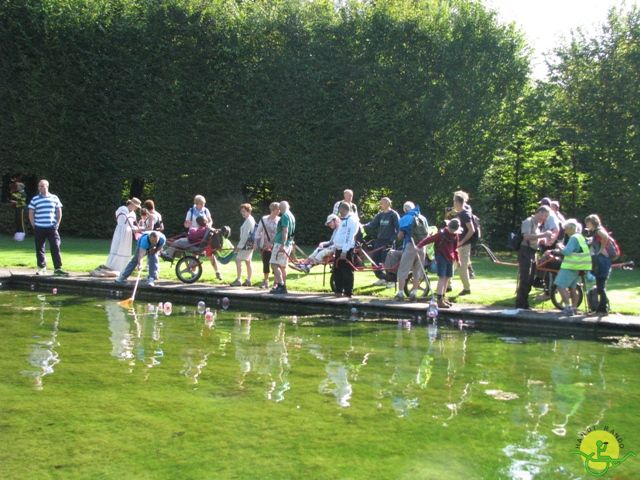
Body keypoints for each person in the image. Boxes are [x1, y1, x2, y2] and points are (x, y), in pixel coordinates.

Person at [544, 218, 592, 316]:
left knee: (560, 286)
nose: (564, 231)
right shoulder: (580, 237)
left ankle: (567, 307)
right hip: (579, 267)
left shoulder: (573, 238)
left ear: (571, 228)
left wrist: (560, 246)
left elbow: (566, 252)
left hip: (570, 266)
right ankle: (574, 308)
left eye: (565, 229)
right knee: (573, 288)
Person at [27, 179, 68, 276]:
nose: (40, 188)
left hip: (52, 227)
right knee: (40, 248)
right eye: (39, 186)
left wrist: (57, 223)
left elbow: (59, 212)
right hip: (39, 227)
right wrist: (34, 224)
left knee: (55, 247)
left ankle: (57, 268)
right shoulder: (35, 199)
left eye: (42, 186)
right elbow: (31, 213)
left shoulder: (54, 198)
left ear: (47, 186)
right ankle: (42, 268)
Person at [417, 219, 461, 308]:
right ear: (448, 226)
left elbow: (455, 248)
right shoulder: (441, 234)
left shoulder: (455, 235)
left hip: (450, 258)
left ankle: (443, 297)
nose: (452, 232)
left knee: (447, 277)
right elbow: (429, 239)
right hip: (441, 257)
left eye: (454, 230)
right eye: (451, 230)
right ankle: (439, 300)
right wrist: (419, 245)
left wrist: (457, 259)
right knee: (442, 277)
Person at [94, 198, 142, 276]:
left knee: (125, 248)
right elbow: (127, 221)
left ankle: (123, 267)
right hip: (120, 230)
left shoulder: (133, 213)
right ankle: (113, 266)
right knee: (117, 246)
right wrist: (135, 228)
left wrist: (137, 229)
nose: (136, 208)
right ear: (132, 204)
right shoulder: (122, 209)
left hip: (128, 233)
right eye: (136, 206)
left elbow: (133, 224)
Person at [515, 206, 551, 309]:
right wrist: (543, 235)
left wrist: (542, 241)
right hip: (525, 251)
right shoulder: (528, 221)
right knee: (525, 278)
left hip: (533, 252)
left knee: (530, 279)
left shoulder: (537, 224)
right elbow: (526, 236)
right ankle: (520, 304)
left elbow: (534, 238)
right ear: (539, 212)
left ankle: (524, 304)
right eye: (545, 216)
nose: (545, 218)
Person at [394, 201, 429, 301]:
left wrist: (397, 236)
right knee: (417, 270)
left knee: (403, 269)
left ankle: (400, 293)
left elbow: (400, 236)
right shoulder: (423, 218)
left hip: (410, 245)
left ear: (405, 209)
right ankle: (414, 292)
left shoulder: (405, 218)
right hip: (422, 246)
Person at [363, 197, 400, 287]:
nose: (380, 205)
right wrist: (362, 226)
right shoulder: (380, 215)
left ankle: (392, 280)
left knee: (387, 262)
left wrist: (392, 240)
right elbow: (372, 224)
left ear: (388, 203)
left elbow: (398, 229)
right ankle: (382, 278)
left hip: (388, 242)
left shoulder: (394, 215)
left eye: (382, 203)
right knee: (375, 261)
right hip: (379, 241)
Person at [585, 214, 613, 314]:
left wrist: (601, 250)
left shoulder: (598, 230)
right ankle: (602, 308)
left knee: (600, 286)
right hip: (601, 260)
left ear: (592, 222)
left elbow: (606, 237)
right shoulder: (596, 231)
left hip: (603, 261)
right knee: (600, 285)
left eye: (587, 223)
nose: (587, 225)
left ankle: (603, 309)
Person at [332, 202, 360, 297]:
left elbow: (349, 236)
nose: (339, 212)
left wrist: (344, 250)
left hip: (346, 250)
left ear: (343, 210)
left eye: (339, 210)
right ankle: (338, 290)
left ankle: (348, 292)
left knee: (346, 271)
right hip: (339, 248)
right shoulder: (344, 219)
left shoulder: (351, 220)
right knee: (337, 270)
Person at [269, 201, 296, 294]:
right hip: (289, 243)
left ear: (280, 208)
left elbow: (285, 230)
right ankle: (284, 286)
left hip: (281, 243)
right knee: (283, 266)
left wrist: (282, 244)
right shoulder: (291, 216)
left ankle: (281, 285)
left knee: (274, 263)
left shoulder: (284, 216)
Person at [452, 190, 475, 296]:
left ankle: (467, 289)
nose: (453, 203)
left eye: (454, 201)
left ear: (458, 202)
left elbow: (472, 230)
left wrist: (462, 242)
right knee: (452, 265)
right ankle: (448, 286)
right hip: (457, 245)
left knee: (462, 267)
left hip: (464, 245)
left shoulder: (465, 214)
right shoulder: (459, 213)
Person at [255, 202, 280, 289]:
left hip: (276, 245)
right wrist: (256, 243)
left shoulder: (280, 220)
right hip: (265, 246)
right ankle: (266, 281)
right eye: (278, 209)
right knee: (266, 263)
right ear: (273, 209)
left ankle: (276, 282)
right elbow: (258, 231)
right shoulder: (264, 219)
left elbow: (280, 233)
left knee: (275, 264)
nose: (279, 211)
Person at [230, 203, 256, 286]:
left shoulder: (249, 220)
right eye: (242, 211)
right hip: (249, 244)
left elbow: (245, 236)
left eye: (244, 211)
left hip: (246, 245)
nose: (242, 213)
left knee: (238, 260)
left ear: (249, 211)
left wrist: (238, 247)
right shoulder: (250, 219)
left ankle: (239, 280)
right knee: (248, 262)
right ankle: (248, 280)